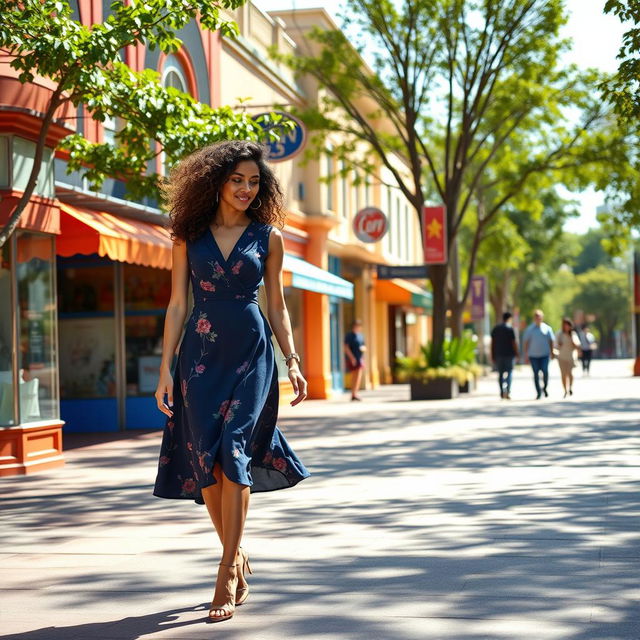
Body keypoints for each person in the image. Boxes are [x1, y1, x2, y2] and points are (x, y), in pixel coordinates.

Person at [153, 141, 310, 624]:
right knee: (207, 462)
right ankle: (238, 554)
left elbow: (277, 305)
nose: (246, 188)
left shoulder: (269, 237)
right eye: (238, 179)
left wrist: (293, 359)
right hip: (199, 358)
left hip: (251, 354)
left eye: (254, 181)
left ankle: (224, 570)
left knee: (233, 452)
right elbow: (177, 304)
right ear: (217, 181)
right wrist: (164, 368)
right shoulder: (188, 235)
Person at [522, 309, 555, 399]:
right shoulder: (530, 329)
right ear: (534, 318)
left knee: (545, 371)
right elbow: (526, 342)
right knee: (535, 374)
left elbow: (551, 341)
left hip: (545, 355)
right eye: (536, 316)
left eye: (539, 316)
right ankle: (538, 392)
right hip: (533, 356)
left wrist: (552, 352)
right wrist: (526, 355)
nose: (538, 318)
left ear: (542, 317)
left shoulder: (547, 328)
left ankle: (544, 387)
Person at [490, 311, 519, 399]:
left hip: (499, 354)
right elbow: (513, 342)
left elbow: (492, 343)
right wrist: (517, 353)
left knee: (501, 374)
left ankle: (502, 392)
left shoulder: (496, 328)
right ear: (509, 319)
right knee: (509, 372)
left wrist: (492, 354)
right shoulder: (510, 329)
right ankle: (508, 390)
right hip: (509, 354)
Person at [556, 317, 581, 398]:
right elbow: (555, 345)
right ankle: (565, 390)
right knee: (563, 374)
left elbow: (577, 345)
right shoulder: (559, 334)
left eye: (568, 325)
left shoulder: (573, 334)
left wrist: (574, 343)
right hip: (561, 357)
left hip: (570, 357)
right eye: (565, 325)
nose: (566, 327)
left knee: (570, 373)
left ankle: (570, 387)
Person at [344, 319, 366, 401]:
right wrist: (352, 358)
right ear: (353, 326)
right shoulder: (349, 336)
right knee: (353, 377)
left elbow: (363, 346)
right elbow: (346, 348)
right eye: (357, 326)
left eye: (359, 326)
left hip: (359, 358)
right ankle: (353, 394)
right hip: (352, 358)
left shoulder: (360, 336)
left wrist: (363, 356)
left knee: (358, 377)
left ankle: (355, 393)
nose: (358, 327)